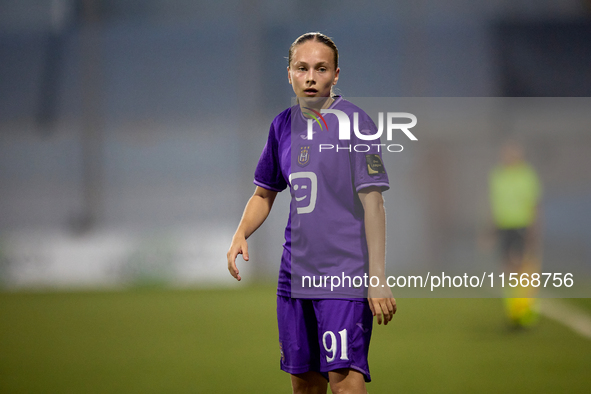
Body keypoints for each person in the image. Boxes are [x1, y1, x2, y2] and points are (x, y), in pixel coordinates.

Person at [227, 32, 396, 393]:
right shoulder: (282, 126)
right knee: (304, 385)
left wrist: (377, 277)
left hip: (342, 272)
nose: (311, 77)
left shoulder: (357, 124)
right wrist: (241, 232)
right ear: (289, 73)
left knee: (345, 384)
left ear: (336, 75)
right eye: (302, 68)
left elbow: (374, 205)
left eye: (321, 69)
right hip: (294, 275)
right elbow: (263, 193)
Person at [489, 140, 542, 327]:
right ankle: (513, 310)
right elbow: (494, 206)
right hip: (504, 227)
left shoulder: (526, 176)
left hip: (521, 225)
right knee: (507, 268)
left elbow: (534, 205)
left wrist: (533, 230)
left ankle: (523, 310)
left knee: (521, 266)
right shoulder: (498, 176)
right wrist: (490, 231)